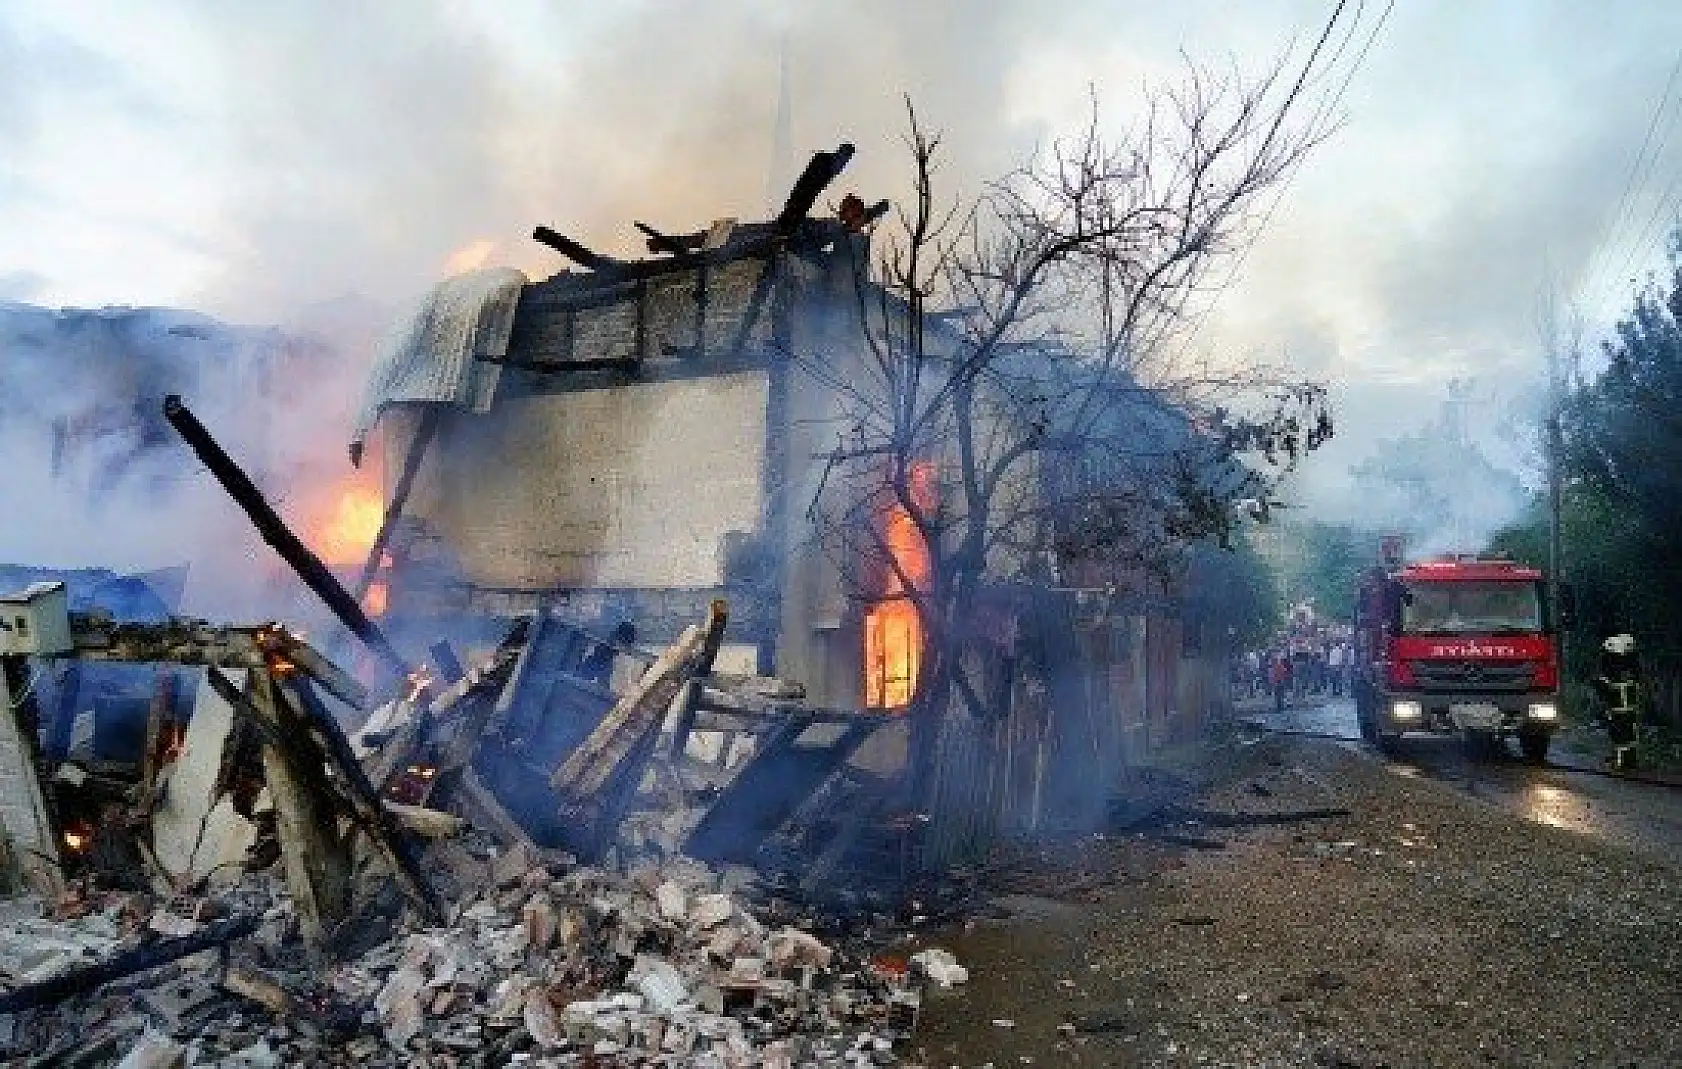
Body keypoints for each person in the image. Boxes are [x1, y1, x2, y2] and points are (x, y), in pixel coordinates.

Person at [1593, 633, 1642, 770]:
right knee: (1630, 737)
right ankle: (1631, 761)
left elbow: (1604, 688)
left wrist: (1600, 683)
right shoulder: (1632, 670)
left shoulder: (1613, 672)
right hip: (1630, 710)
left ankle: (1621, 763)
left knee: (1620, 737)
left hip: (1619, 711)